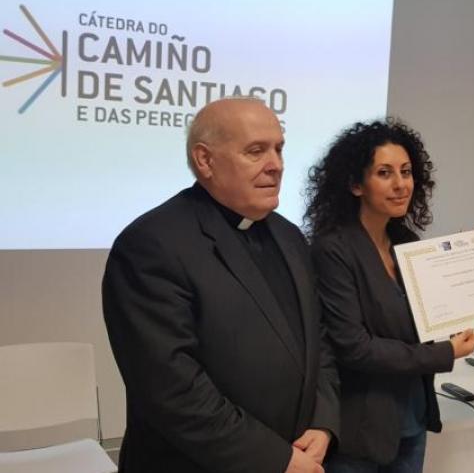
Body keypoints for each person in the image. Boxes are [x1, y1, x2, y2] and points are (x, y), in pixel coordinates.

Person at [102, 97, 339, 473]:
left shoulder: (290, 236)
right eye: (256, 151)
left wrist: (323, 423)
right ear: (205, 160)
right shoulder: (151, 244)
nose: (275, 164)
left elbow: (320, 341)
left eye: (278, 149)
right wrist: (276, 459)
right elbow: (172, 389)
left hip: (297, 454)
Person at [305, 119, 474, 472]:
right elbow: (354, 347)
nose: (401, 184)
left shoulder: (407, 244)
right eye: (384, 173)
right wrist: (443, 353)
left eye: (406, 171)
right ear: (356, 184)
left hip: (412, 420)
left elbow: (431, 317)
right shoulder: (333, 250)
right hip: (361, 433)